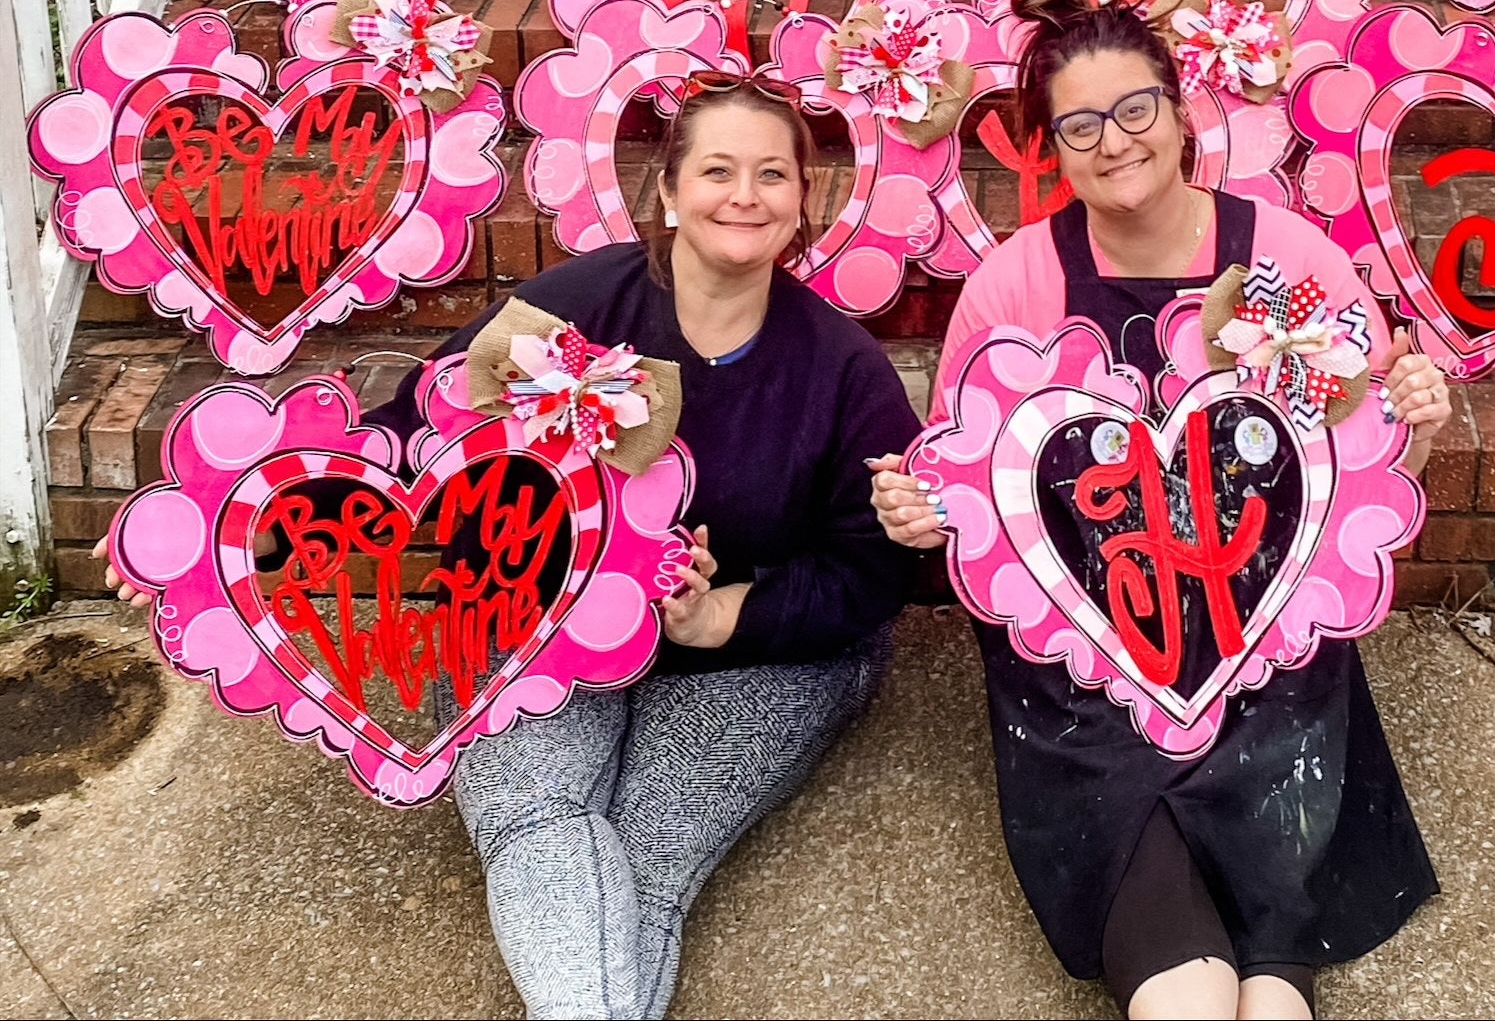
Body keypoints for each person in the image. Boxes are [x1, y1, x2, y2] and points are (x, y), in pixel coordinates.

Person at [106, 76, 920, 1021]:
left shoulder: (841, 365)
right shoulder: (569, 310)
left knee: (645, 857)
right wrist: (230, 535)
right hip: (535, 621)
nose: (745, 195)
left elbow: (874, 562)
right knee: (539, 822)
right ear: (666, 190)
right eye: (718, 169)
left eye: (772, 174)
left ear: (802, 203)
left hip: (748, 659)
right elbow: (409, 435)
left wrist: (726, 613)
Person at [872, 0, 1451, 1021]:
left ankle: (1275, 952)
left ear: (1183, 112)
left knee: (1271, 978)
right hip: (1088, 662)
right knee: (1182, 989)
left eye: (1135, 108)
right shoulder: (1016, 283)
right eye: (1079, 123)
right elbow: (964, 491)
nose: (1113, 139)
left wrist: (1414, 417)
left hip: (1262, 642)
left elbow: (1356, 479)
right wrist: (921, 511)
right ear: (1048, 148)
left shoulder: (1280, 259)